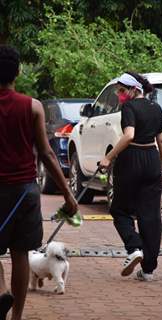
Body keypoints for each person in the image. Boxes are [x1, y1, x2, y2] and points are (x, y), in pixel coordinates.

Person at [0, 45, 78, 320]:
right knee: (20, 254)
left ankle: (1, 291)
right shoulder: (32, 106)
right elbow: (46, 153)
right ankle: (17, 316)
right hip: (24, 192)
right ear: (18, 72)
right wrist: (68, 195)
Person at [100, 71, 162, 281]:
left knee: (120, 210)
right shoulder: (156, 108)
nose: (119, 94)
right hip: (152, 159)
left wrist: (108, 158)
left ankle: (134, 247)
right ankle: (148, 270)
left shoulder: (129, 107)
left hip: (131, 160)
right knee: (150, 216)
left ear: (133, 89)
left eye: (121, 90)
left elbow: (128, 136)